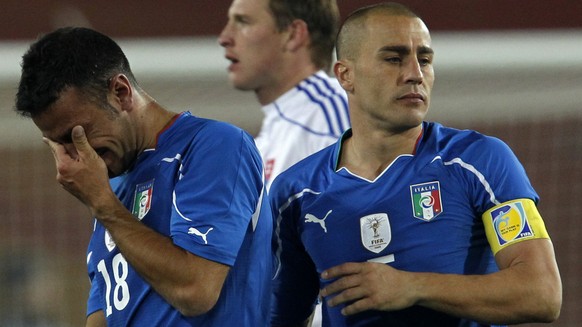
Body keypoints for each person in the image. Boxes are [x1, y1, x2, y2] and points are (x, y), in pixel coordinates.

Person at [268, 3, 562, 326]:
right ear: (345, 75)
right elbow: (281, 317)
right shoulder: (295, 194)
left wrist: (412, 286)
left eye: (424, 60)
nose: (414, 74)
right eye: (394, 59)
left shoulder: (478, 161)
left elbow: (542, 292)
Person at [15, 27, 273, 327]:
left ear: (120, 93)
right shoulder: (111, 187)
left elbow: (196, 290)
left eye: (78, 135)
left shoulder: (213, 147)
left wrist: (105, 206)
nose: (77, 156)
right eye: (60, 144)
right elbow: (103, 316)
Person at [219, 0, 351, 191]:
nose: (224, 38)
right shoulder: (274, 133)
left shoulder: (327, 118)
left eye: (243, 22)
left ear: (293, 35)